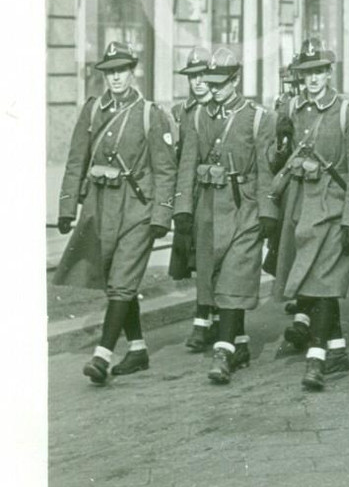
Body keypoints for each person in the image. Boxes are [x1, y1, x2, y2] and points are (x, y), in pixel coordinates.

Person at [53, 41, 177, 385]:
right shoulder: (93, 111)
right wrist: (67, 207)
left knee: (122, 280)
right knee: (114, 280)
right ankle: (137, 347)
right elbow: (77, 159)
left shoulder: (151, 113)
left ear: (131, 71)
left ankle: (102, 355)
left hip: (137, 207)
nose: (116, 78)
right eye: (110, 72)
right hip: (98, 206)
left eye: (121, 70)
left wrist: (161, 216)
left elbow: (165, 170)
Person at [265, 40, 349, 391]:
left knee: (322, 280)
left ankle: (317, 357)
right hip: (299, 203)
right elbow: (276, 160)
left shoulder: (346, 112)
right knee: (314, 281)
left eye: (319, 72)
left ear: (329, 73)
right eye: (306, 73)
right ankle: (337, 349)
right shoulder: (293, 110)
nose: (312, 79)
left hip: (333, 204)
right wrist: (279, 143)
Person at [173, 47, 277, 384]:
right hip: (207, 208)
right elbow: (187, 163)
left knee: (234, 275)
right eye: (210, 82)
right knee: (215, 278)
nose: (213, 89)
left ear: (236, 80)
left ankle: (224, 351)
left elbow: (265, 169)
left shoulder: (257, 117)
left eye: (220, 83)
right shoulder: (199, 116)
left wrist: (267, 212)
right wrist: (183, 209)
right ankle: (240, 344)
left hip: (243, 206)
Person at [168, 46, 220, 351]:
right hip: (190, 192)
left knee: (212, 255)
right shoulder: (182, 112)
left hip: (214, 190)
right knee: (196, 258)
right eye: (192, 77)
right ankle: (205, 316)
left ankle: (207, 318)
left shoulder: (219, 109)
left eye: (203, 76)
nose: (198, 83)